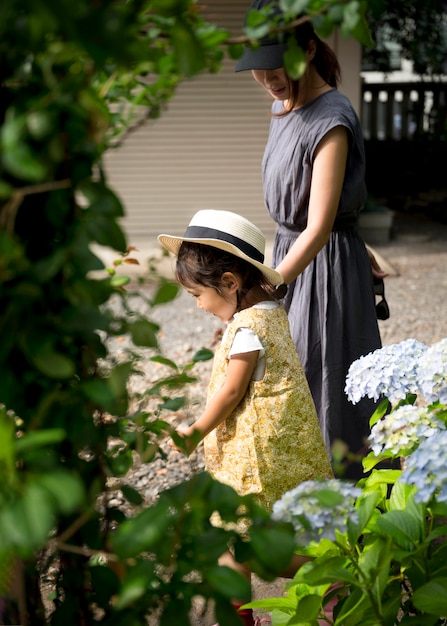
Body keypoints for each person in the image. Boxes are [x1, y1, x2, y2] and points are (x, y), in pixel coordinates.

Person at [235, 0, 388, 479]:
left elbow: (320, 224)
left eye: (277, 65)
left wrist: (269, 286)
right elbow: (304, 210)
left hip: (319, 267)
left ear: (307, 50)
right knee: (287, 377)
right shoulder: (281, 108)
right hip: (292, 254)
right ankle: (293, 499)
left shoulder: (331, 117)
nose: (268, 78)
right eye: (258, 69)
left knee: (324, 377)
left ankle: (342, 511)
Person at [158, 209, 333, 626]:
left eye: (198, 295)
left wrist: (196, 431)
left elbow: (233, 390)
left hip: (254, 456)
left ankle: (332, 579)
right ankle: (238, 615)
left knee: (245, 543)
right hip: (272, 446)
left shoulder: (248, 331)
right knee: (230, 536)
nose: (199, 306)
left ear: (231, 283)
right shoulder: (267, 313)